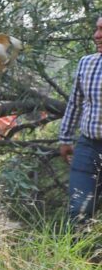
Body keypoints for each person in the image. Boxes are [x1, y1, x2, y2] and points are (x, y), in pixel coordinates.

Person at [59, 15, 102, 225]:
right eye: (96, 29)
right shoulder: (87, 64)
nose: (97, 35)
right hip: (88, 146)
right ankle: (81, 257)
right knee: (79, 210)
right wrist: (65, 138)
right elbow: (75, 103)